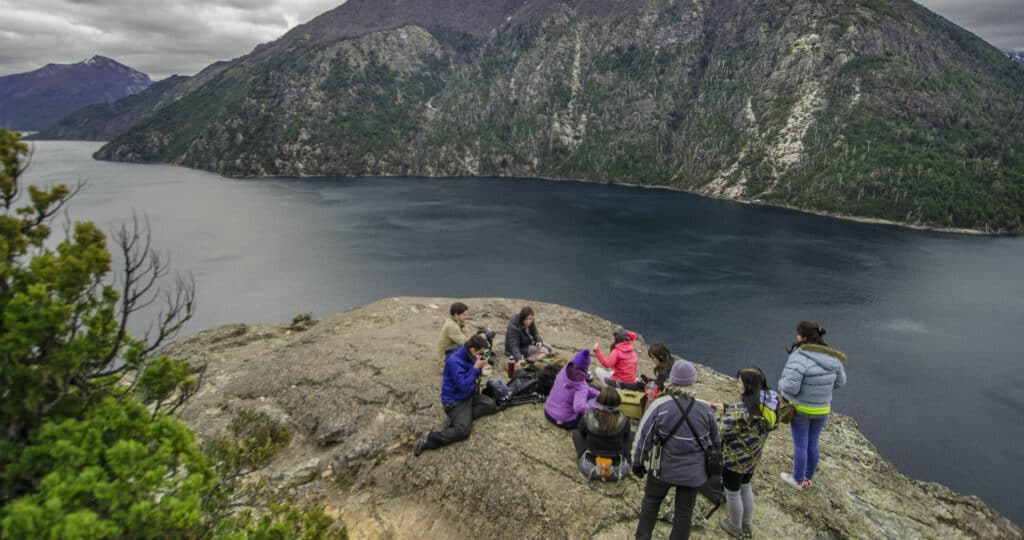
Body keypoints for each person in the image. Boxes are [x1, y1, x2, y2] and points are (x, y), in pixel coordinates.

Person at [632, 360, 719, 540]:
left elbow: (644, 437)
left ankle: (643, 537)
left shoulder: (660, 407)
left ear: (671, 381)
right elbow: (716, 441)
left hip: (662, 467)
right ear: (692, 382)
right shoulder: (705, 410)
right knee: (684, 512)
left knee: (651, 502)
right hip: (693, 473)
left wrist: (638, 463)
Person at [777, 321, 847, 490]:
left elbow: (790, 387)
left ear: (804, 337)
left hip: (801, 409)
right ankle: (808, 477)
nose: (796, 337)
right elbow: (841, 382)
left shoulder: (800, 356)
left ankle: (798, 480)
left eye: (798, 334)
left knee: (801, 444)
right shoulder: (833, 358)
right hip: (822, 408)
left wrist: (781, 385)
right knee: (813, 443)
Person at [711, 368, 778, 539]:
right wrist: (729, 408)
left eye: (739, 382)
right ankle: (746, 525)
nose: (737, 384)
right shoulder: (768, 407)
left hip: (734, 459)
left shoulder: (741, 410)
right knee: (745, 488)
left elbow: (722, 431)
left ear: (748, 386)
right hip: (752, 458)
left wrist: (721, 416)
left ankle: (734, 526)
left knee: (732, 494)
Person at [414, 334, 497, 456]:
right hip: (455, 401)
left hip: (468, 395)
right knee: (463, 431)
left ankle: (459, 418)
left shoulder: (471, 354)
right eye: (480, 352)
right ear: (473, 349)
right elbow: (463, 385)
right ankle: (429, 439)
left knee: (491, 405)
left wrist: (480, 366)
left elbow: (472, 378)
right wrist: (476, 368)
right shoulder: (454, 361)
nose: (480, 355)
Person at [573, 386, 634, 481]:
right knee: (631, 435)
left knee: (577, 434)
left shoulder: (589, 416)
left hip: (590, 465)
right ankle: (626, 460)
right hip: (618, 466)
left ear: (599, 401)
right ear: (617, 403)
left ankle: (584, 457)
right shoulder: (624, 420)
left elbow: (581, 432)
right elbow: (626, 437)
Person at [544, 350, 599, 429]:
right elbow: (579, 408)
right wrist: (596, 408)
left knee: (587, 395)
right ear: (586, 367)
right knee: (591, 403)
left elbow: (586, 388)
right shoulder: (581, 385)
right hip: (564, 421)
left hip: (548, 412)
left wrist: (598, 393)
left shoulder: (563, 371)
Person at [437, 302, 470, 366]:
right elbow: (465, 343)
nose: (466, 317)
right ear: (456, 315)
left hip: (448, 352)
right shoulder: (452, 326)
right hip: (445, 362)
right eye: (464, 315)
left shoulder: (453, 321)